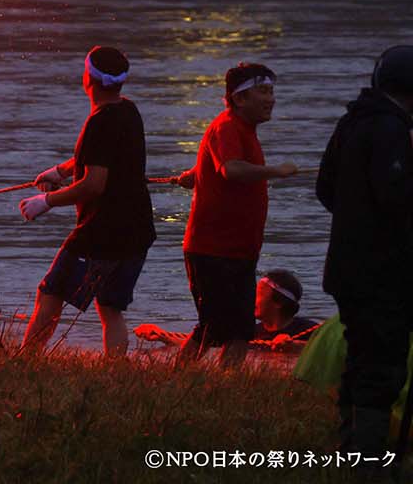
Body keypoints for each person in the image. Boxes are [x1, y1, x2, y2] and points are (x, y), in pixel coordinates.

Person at [17, 46, 156, 357]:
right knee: (110, 308)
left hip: (101, 234)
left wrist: (47, 201)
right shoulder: (128, 111)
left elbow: (93, 184)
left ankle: (25, 361)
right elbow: (97, 158)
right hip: (137, 231)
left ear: (89, 79)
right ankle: (116, 374)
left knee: (50, 294)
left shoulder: (99, 122)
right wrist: (60, 170)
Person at [315, 45, 413, 457]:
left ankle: (350, 449)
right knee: (382, 366)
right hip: (383, 274)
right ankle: (367, 459)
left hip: (346, 269)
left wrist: (356, 219)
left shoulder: (352, 122)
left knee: (360, 360)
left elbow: (325, 190)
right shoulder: (390, 130)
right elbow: (398, 200)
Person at [173, 63, 299, 367]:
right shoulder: (227, 125)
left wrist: (197, 172)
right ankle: (173, 381)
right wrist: (276, 171)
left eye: (271, 92)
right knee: (211, 328)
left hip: (240, 249)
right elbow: (231, 169)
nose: (270, 99)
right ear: (239, 98)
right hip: (212, 249)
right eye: (263, 91)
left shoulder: (244, 129)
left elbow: (221, 164)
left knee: (241, 330)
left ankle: (229, 387)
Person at [135, 267, 320, 352]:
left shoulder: (308, 330)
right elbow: (209, 342)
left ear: (278, 302)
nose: (251, 299)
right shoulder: (250, 332)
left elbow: (338, 350)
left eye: (258, 294)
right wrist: (161, 336)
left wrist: (296, 347)